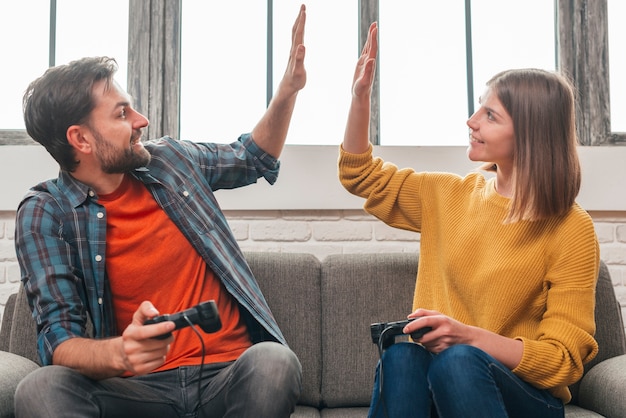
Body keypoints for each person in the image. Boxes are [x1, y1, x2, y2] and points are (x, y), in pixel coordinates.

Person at [13, 5, 307, 418]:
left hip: (227, 375)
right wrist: (122, 353)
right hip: (137, 392)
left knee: (275, 362)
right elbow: (59, 341)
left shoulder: (171, 161)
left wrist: (288, 89)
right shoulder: (46, 213)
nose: (141, 120)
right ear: (80, 139)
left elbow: (253, 158)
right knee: (40, 389)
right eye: (121, 113)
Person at [339, 22, 599, 418]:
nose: (471, 120)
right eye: (479, 107)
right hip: (444, 380)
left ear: (530, 135)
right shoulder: (448, 195)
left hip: (526, 397)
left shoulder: (571, 228)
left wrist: (469, 339)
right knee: (402, 359)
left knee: (458, 360)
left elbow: (562, 360)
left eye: (490, 115)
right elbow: (361, 175)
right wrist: (360, 98)